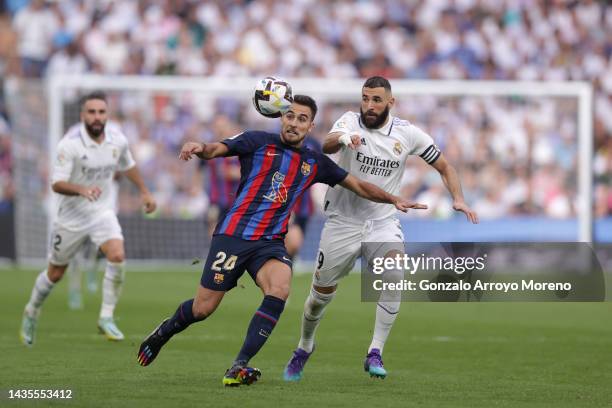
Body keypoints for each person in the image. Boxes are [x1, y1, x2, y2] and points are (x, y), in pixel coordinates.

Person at [136, 95, 426, 387]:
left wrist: (393, 199)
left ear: (310, 126)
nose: (294, 123)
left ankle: (239, 366)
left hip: (270, 243)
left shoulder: (314, 162)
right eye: (290, 116)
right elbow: (217, 148)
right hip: (233, 237)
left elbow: (359, 185)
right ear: (281, 118)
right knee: (202, 309)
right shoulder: (257, 141)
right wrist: (200, 148)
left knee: (280, 288)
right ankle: (164, 331)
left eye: (302, 119)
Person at [284, 76, 478, 381]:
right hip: (342, 223)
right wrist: (347, 139)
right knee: (319, 297)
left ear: (391, 102)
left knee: (394, 275)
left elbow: (444, 166)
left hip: (383, 222)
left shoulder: (407, 133)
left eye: (376, 100)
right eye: (365, 98)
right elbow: (328, 143)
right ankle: (304, 347)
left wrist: (458, 199)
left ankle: (375, 351)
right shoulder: (349, 122)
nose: (369, 106)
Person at [19, 91, 156, 346]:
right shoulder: (69, 144)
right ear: (83, 116)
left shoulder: (117, 140)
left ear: (107, 115)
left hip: (101, 212)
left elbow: (128, 165)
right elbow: (56, 183)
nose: (97, 117)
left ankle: (106, 317)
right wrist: (82, 190)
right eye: (91, 112)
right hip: (70, 217)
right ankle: (32, 310)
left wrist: (145, 192)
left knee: (117, 255)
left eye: (101, 112)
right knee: (55, 273)